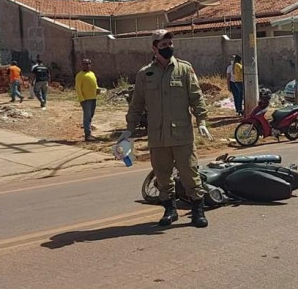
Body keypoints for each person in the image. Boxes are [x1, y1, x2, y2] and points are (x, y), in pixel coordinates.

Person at [119, 29, 214, 228]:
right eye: (163, 45)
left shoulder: (185, 69)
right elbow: (136, 104)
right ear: (154, 48)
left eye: (170, 44)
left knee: (190, 173)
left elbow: (197, 98)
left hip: (182, 135)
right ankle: (170, 210)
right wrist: (129, 129)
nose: (168, 48)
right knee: (162, 176)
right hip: (157, 136)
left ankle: (198, 210)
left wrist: (202, 121)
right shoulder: (145, 74)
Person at [75, 58, 99, 141]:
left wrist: (97, 89)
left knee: (91, 115)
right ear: (82, 65)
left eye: (88, 64)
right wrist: (82, 100)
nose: (87, 65)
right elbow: (78, 88)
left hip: (93, 98)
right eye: (85, 64)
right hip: (86, 100)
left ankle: (88, 130)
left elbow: (95, 84)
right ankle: (87, 135)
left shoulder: (92, 74)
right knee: (87, 116)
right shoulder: (80, 75)